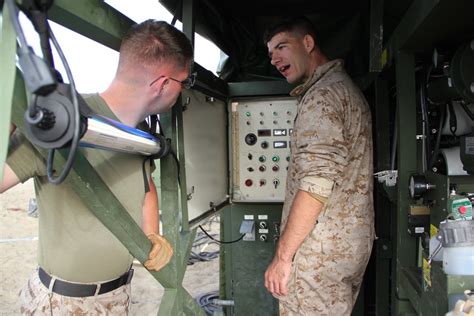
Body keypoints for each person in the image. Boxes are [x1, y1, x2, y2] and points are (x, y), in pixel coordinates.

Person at [0, 19, 193, 314]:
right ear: (162, 84)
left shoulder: (139, 135)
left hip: (118, 296)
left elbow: (146, 183)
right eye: (184, 81)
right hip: (63, 304)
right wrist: (7, 113)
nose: (182, 91)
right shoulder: (62, 123)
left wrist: (151, 232)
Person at [263, 16, 374, 315]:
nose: (274, 59)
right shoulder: (343, 88)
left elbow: (317, 182)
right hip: (346, 250)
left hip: (317, 258)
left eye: (281, 47)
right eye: (271, 52)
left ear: (308, 43)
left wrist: (283, 258)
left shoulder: (321, 98)